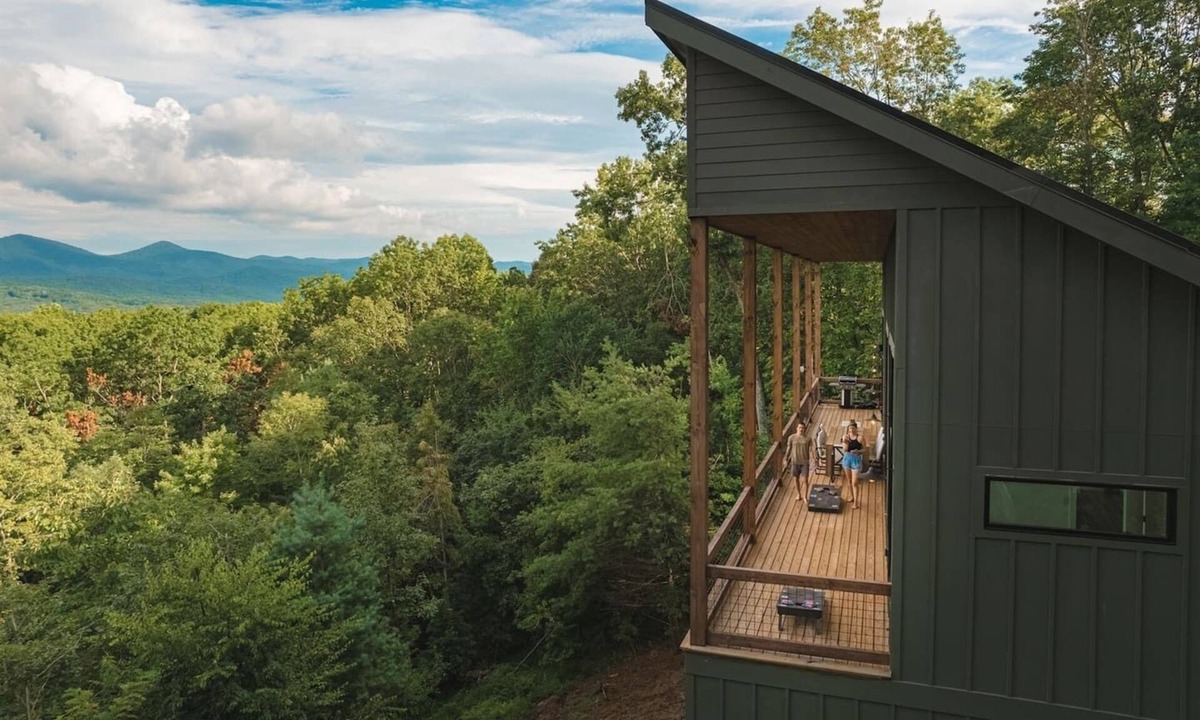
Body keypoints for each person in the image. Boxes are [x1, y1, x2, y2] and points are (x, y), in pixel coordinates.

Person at [783, 422, 812, 501]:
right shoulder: (791, 438)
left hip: (804, 462)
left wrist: (814, 459)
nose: (801, 429)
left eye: (803, 428)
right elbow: (788, 449)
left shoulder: (808, 439)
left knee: (805, 480)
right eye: (800, 427)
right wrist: (786, 459)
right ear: (797, 428)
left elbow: (811, 450)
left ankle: (805, 496)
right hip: (795, 462)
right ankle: (798, 494)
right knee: (796, 479)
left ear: (805, 429)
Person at [842, 420, 864, 509]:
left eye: (853, 428)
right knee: (849, 481)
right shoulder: (845, 437)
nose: (851, 430)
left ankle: (855, 502)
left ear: (856, 429)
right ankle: (851, 497)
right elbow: (845, 449)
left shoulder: (860, 438)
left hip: (856, 460)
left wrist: (858, 451)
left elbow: (865, 449)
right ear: (848, 429)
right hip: (847, 459)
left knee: (855, 482)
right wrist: (844, 441)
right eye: (850, 428)